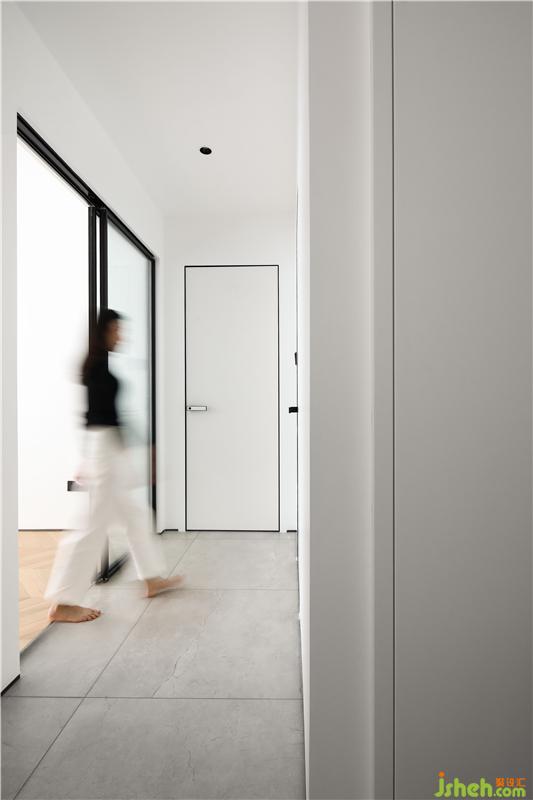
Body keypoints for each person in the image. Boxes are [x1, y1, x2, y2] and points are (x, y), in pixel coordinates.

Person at [46, 309, 182, 623]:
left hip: (107, 450)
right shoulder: (96, 369)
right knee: (91, 527)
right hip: (104, 451)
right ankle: (62, 603)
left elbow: (98, 417)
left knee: (137, 516)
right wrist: (98, 456)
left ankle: (151, 578)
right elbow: (101, 418)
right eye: (117, 330)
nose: (122, 336)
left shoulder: (99, 366)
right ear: (104, 331)